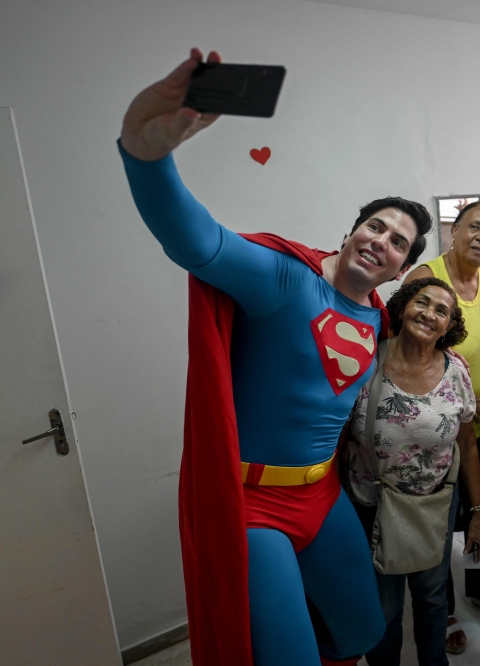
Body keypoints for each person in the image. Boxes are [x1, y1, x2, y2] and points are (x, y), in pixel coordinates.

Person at [118, 50, 432, 666]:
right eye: (376, 226)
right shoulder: (284, 280)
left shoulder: (378, 316)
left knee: (362, 630)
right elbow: (195, 239)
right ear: (352, 232)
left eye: (399, 242)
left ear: (404, 267)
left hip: (321, 496)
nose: (382, 242)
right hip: (250, 506)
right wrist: (146, 151)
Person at [344, 277, 480, 666]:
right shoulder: (368, 361)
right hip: (373, 505)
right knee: (384, 607)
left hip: (435, 504)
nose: (429, 314)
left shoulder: (456, 369)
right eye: (422, 303)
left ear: (449, 325)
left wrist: (478, 515)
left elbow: (468, 443)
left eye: (442, 310)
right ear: (403, 306)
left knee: (432, 596)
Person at [404, 201, 480, 651]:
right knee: (439, 520)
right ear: (454, 230)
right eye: (475, 227)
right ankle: (444, 605)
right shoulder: (424, 277)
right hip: (437, 426)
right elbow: (406, 348)